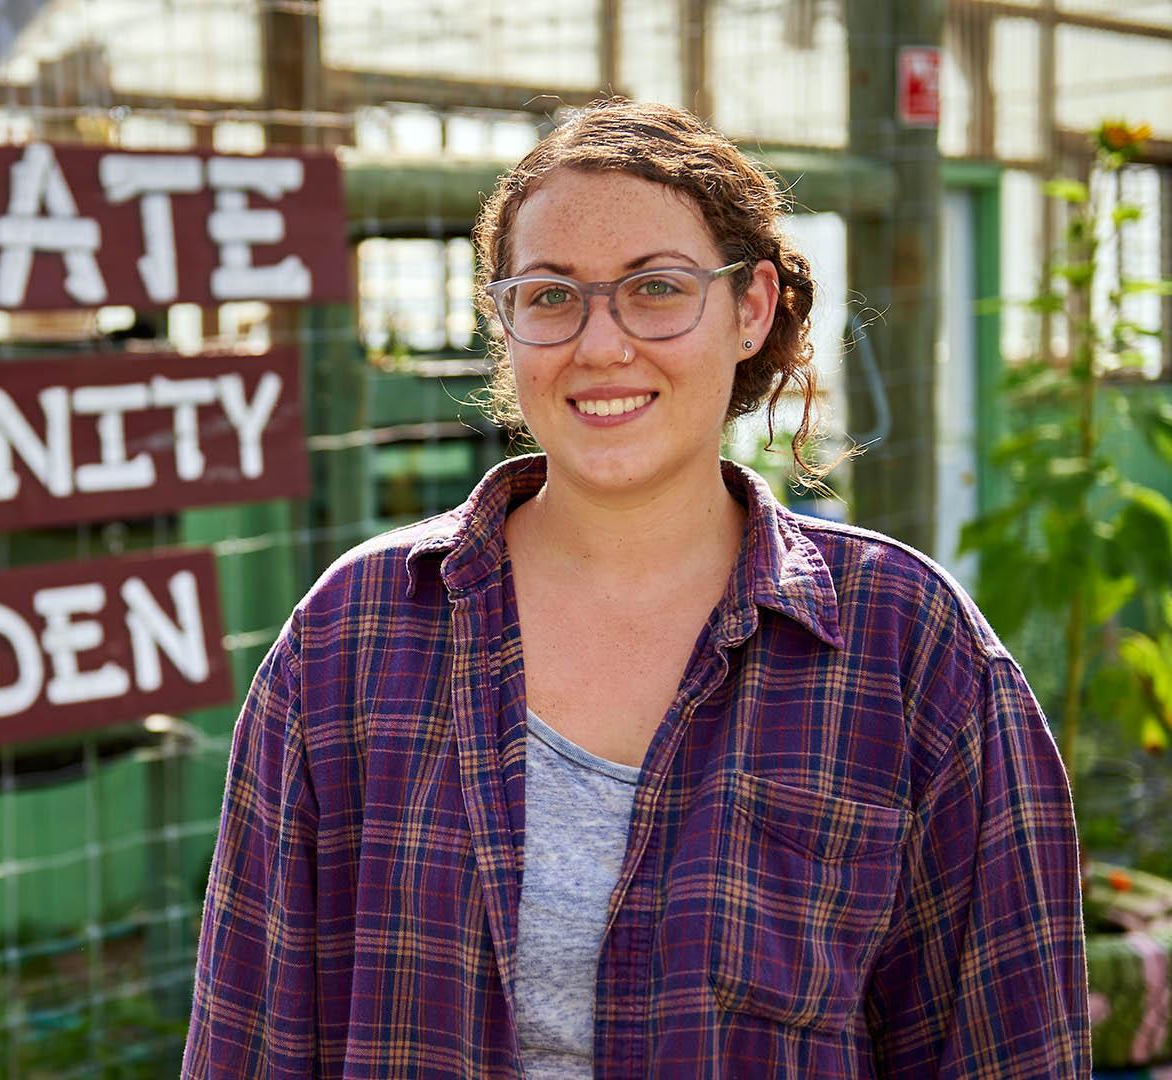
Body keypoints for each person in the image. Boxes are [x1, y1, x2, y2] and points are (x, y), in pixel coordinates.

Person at [182, 99, 1088, 1077]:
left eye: (656, 289)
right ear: (506, 323)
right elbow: (251, 1035)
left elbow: (1010, 1048)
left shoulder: (906, 649)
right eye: (551, 296)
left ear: (751, 309)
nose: (602, 345)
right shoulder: (351, 639)